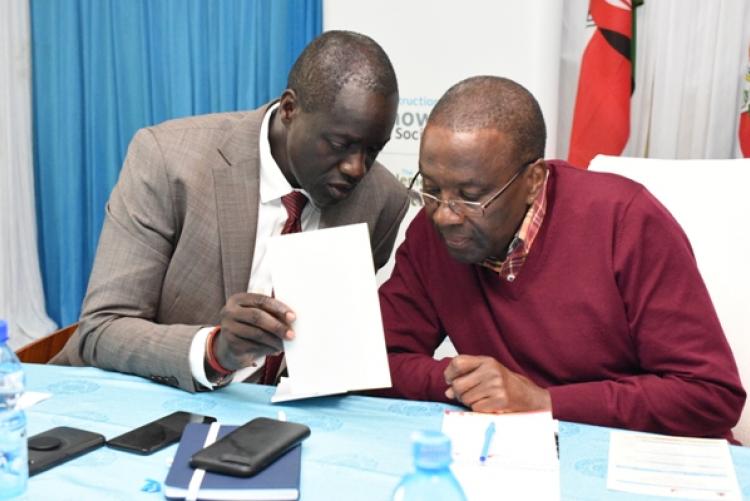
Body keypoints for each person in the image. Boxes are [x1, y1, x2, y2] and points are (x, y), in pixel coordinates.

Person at [379, 76, 746, 441]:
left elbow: (710, 394)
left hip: (650, 455)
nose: (445, 214)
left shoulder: (626, 221)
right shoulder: (434, 233)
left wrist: (545, 402)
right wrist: (461, 382)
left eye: (471, 196)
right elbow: (375, 360)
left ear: (534, 181)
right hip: (519, 452)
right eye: (431, 188)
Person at [52, 31, 408, 392]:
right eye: (339, 144)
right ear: (289, 109)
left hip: (273, 416)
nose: (356, 168)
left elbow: (328, 348)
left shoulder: (382, 201)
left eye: (373, 150)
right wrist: (215, 351)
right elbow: (102, 329)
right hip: (132, 397)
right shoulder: (168, 160)